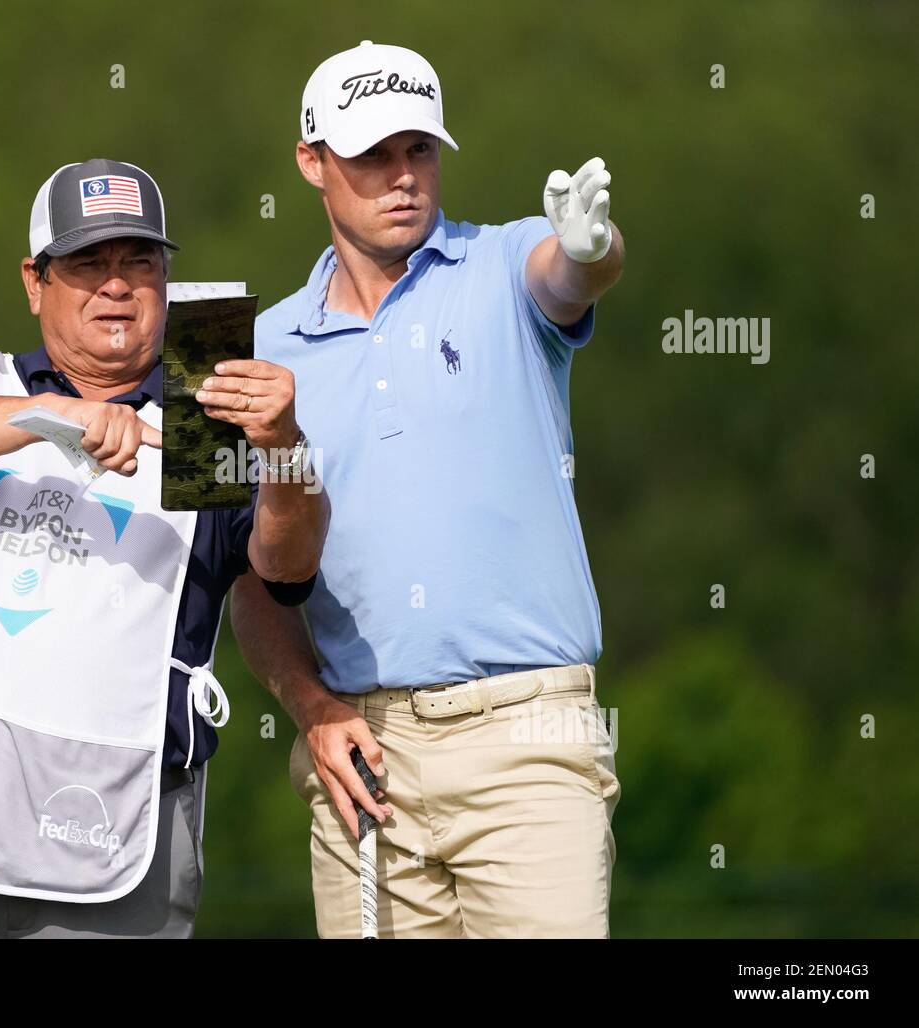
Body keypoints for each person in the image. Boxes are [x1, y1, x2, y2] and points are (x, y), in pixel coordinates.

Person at [0, 158, 329, 938]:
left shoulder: (205, 419)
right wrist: (48, 416)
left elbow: (288, 564)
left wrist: (284, 448)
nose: (116, 285)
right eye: (87, 264)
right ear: (35, 283)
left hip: (118, 834)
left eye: (140, 262)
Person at [235, 41, 625, 937]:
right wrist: (311, 707)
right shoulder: (261, 349)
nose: (402, 177)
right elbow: (252, 584)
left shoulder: (505, 260)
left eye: (419, 150)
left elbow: (568, 278)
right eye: (371, 155)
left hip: (528, 742)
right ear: (311, 162)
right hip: (363, 757)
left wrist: (594, 248)